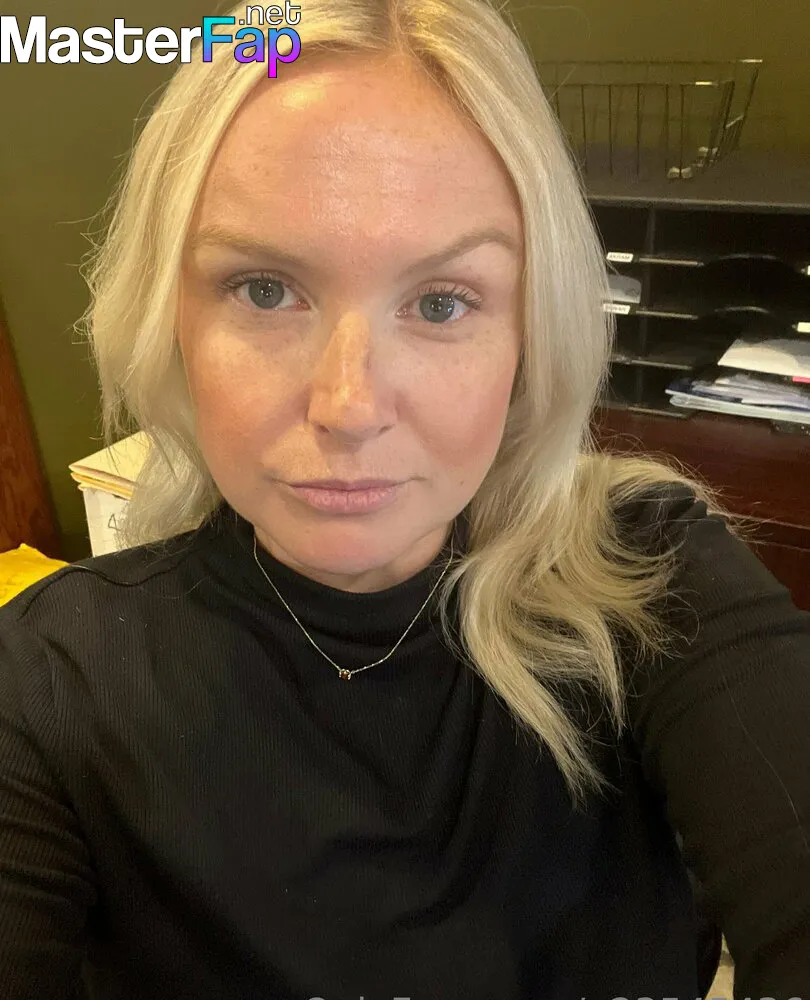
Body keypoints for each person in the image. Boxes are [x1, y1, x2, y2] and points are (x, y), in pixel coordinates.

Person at [1, 0, 808, 997]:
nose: (349, 407)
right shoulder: (50, 679)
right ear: (169, 315)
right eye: (264, 289)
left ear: (529, 331)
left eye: (439, 302)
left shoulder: (653, 579)